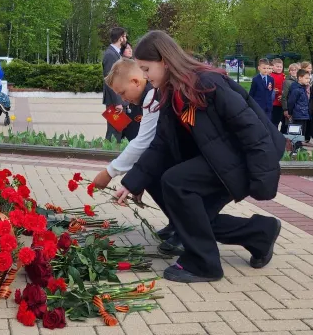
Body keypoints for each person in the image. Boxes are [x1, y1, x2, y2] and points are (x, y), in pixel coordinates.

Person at [114, 31, 283, 283]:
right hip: (220, 160)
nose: (146, 76)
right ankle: (260, 233)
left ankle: (204, 264)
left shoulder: (206, 83)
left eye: (147, 69)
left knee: (176, 182)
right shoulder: (170, 91)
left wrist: (262, 176)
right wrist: (132, 182)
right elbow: (161, 142)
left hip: (243, 159)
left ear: (165, 61)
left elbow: (251, 129)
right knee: (194, 220)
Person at [93, 58, 177, 248]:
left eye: (122, 93)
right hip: (167, 153)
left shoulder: (151, 96)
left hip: (180, 156)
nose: (123, 99)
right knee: (148, 176)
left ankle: (184, 228)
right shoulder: (146, 94)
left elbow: (143, 142)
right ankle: (177, 223)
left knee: (160, 178)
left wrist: (109, 172)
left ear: (135, 81)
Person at [103, 27, 128, 141]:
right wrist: (118, 102)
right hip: (115, 102)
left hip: (118, 100)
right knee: (114, 133)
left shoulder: (116, 54)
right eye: (125, 36)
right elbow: (110, 80)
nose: (126, 38)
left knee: (118, 131)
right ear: (120, 38)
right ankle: (107, 156)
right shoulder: (110, 55)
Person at [286, 68, 312, 151]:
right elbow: (291, 102)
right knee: (297, 131)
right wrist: (290, 112)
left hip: (304, 113)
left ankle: (299, 146)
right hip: (298, 113)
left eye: (309, 78)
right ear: (300, 78)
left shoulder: (303, 87)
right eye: (306, 78)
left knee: (302, 131)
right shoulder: (296, 89)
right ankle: (296, 147)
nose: (308, 80)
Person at [280, 63, 300, 133]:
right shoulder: (287, 82)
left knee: (296, 126)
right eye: (292, 70)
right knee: (288, 125)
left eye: (296, 70)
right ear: (289, 71)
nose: (294, 72)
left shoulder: (300, 81)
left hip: (298, 107)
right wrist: (285, 109)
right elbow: (284, 96)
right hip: (289, 107)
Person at [270, 58, 286, 130]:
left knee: (283, 121)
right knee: (274, 121)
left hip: (282, 102)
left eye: (280, 67)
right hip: (274, 102)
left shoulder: (284, 76)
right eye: (277, 66)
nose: (279, 68)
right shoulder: (271, 76)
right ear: (273, 66)